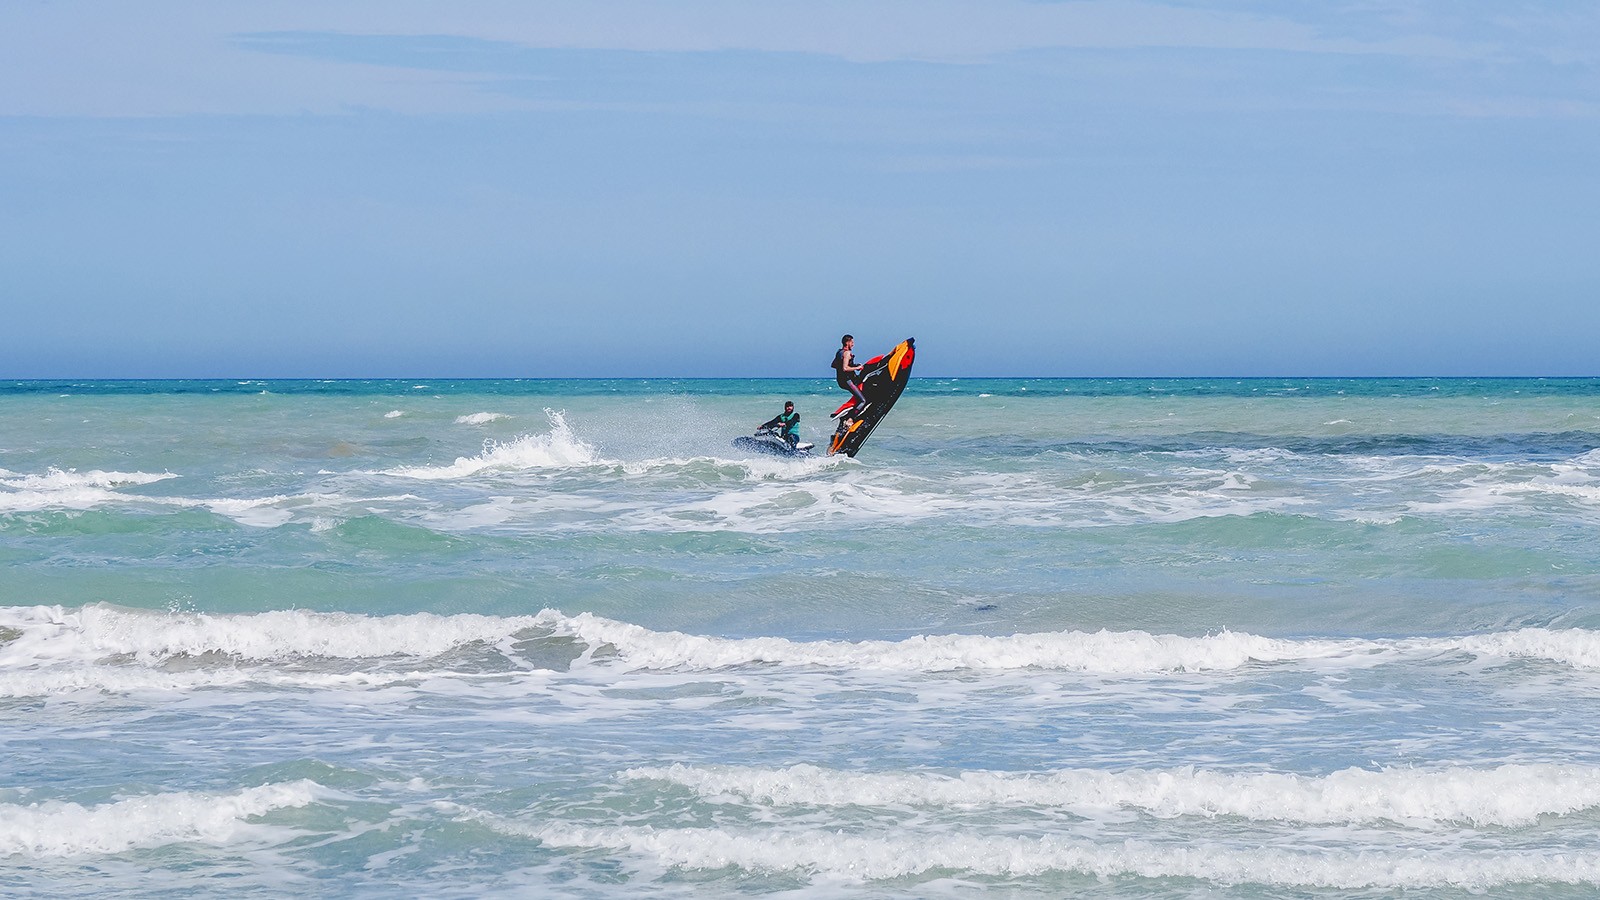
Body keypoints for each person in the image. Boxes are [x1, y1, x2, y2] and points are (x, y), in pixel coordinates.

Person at [831, 334, 867, 417]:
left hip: (841, 381)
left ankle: (852, 408)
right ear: (847, 343)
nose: (853, 344)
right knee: (863, 401)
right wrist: (857, 367)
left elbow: (833, 365)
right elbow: (845, 368)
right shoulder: (847, 353)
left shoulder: (839, 352)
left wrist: (853, 365)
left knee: (863, 379)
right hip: (847, 381)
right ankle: (850, 418)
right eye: (852, 342)